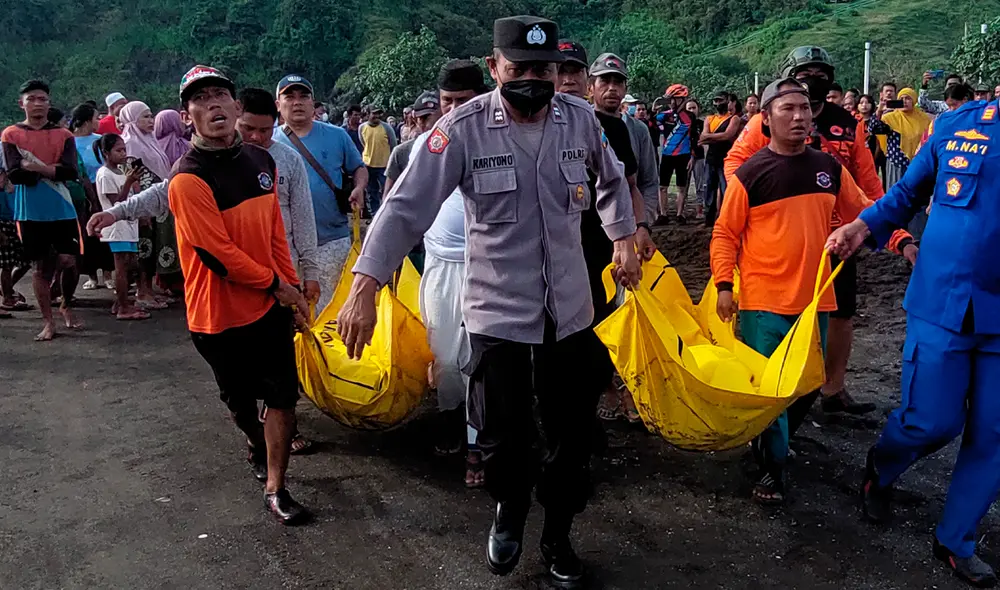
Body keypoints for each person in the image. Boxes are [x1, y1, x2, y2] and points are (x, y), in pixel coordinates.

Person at [336, 16, 642, 588]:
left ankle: (557, 535)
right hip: (499, 313)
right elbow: (404, 207)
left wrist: (622, 235)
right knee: (502, 436)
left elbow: (612, 178)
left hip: (570, 312)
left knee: (571, 433)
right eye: (520, 69)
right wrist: (364, 285)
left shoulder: (581, 121)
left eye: (545, 69)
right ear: (494, 67)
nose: (534, 78)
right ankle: (509, 512)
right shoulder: (461, 130)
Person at [828, 95, 1000, 590]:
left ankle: (956, 541)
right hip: (943, 298)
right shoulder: (957, 125)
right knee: (931, 421)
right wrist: (863, 225)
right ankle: (880, 468)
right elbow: (906, 193)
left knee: (992, 434)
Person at [725, 47, 909, 428]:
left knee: (840, 313)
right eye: (804, 72)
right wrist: (758, 203)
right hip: (779, 238)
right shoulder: (765, 121)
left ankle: (831, 389)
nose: (812, 80)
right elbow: (735, 165)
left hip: (840, 237)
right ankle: (773, 423)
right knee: (776, 325)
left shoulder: (848, 122)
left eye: (820, 72)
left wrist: (890, 231)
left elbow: (869, 183)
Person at [712, 78, 872, 505]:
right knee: (772, 389)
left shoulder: (828, 168)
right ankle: (772, 468)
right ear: (765, 119)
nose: (800, 116)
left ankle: (771, 444)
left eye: (805, 108)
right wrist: (725, 285)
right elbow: (725, 234)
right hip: (764, 299)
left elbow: (865, 213)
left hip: (816, 298)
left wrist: (895, 237)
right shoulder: (750, 174)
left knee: (805, 385)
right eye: (789, 109)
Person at [170, 65, 311, 525]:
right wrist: (279, 286)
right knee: (240, 404)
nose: (213, 105)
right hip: (216, 318)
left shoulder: (261, 162)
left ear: (236, 106)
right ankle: (253, 439)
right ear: (187, 115)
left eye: (219, 95)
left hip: (268, 309)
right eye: (200, 99)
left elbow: (274, 234)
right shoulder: (187, 178)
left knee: (283, 398)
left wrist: (291, 290)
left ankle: (276, 487)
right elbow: (218, 256)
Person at [408, 60, 489, 486]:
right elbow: (402, 206)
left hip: (489, 270)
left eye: (464, 101)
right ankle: (450, 417)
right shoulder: (428, 146)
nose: (455, 110)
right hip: (440, 265)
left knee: (478, 359)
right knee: (443, 354)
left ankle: (478, 444)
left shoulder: (502, 140)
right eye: (447, 102)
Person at [585, 52, 656, 422]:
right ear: (591, 87)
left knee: (625, 312)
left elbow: (643, 181)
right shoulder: (580, 125)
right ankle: (603, 387)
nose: (611, 89)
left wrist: (643, 227)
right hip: (585, 238)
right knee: (593, 313)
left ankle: (628, 386)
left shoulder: (636, 131)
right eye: (604, 82)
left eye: (618, 83)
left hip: (624, 238)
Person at [273, 74, 367, 311]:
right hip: (285, 247)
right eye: (289, 96)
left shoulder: (336, 135)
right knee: (294, 315)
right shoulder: (268, 143)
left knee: (333, 311)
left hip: (331, 241)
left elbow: (358, 167)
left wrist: (359, 188)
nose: (297, 102)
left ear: (312, 103)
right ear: (278, 105)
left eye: (303, 96)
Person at [2, 80, 82, 340]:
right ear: (22, 103)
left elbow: (71, 171)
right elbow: (15, 172)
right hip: (30, 211)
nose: (38, 103)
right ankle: (48, 321)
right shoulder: (11, 134)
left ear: (49, 102)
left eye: (43, 99)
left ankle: (66, 304)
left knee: (69, 261)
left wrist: (35, 167)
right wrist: (51, 170)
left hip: (62, 207)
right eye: (32, 98)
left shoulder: (64, 135)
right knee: (39, 268)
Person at [118, 100, 181, 305]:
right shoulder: (130, 143)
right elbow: (131, 177)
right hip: (143, 204)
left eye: (151, 115)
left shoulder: (150, 140)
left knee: (155, 245)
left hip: (158, 204)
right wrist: (141, 209)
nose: (150, 120)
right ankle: (142, 292)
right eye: (145, 116)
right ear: (132, 119)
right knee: (144, 247)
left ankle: (149, 290)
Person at [383, 90, 442, 274]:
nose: (427, 124)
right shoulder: (401, 153)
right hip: (412, 239)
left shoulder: (456, 150)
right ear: (416, 120)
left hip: (443, 238)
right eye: (422, 118)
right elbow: (388, 196)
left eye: (432, 117)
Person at [92, 133, 148, 320]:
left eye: (124, 150)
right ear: (106, 153)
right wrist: (129, 182)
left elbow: (133, 196)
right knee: (122, 266)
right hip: (116, 226)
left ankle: (121, 302)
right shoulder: (105, 174)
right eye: (118, 150)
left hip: (128, 225)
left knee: (130, 263)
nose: (123, 154)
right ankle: (123, 306)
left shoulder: (122, 171)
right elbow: (118, 202)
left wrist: (134, 181)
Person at [69, 103, 114, 291]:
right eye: (96, 118)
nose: (99, 121)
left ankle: (109, 273)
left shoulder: (100, 140)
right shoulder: (69, 142)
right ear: (87, 120)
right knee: (86, 234)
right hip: (81, 194)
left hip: (102, 189)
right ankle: (92, 276)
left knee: (105, 231)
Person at [870, 88, 931, 188]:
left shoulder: (924, 119)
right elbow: (873, 129)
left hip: (919, 163)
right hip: (897, 163)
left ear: (914, 100)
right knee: (896, 194)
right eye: (901, 98)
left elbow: (929, 139)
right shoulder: (890, 118)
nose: (904, 101)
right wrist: (879, 111)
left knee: (917, 195)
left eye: (908, 98)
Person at [700, 90, 744, 226]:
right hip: (711, 158)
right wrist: (713, 137)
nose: (718, 103)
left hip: (726, 158)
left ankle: (726, 219)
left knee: (727, 190)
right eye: (716, 101)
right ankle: (708, 220)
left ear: (728, 101)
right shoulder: (709, 119)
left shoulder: (734, 118)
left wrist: (709, 137)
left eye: (721, 100)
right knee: (709, 189)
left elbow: (728, 136)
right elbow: (703, 136)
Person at [656, 84, 697, 224]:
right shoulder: (663, 115)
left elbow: (694, 137)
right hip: (667, 154)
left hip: (684, 155)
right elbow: (652, 124)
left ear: (682, 100)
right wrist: (653, 111)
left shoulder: (690, 117)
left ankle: (680, 214)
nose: (672, 102)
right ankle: (663, 214)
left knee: (682, 186)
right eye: (671, 99)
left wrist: (693, 155)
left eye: (675, 99)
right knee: (662, 186)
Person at [0, 153, 30, 314]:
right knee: (6, 264)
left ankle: (7, 290)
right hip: (4, 223)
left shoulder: (14, 179)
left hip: (17, 219)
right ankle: (7, 298)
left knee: (25, 261)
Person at [358, 105, 397, 216]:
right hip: (368, 164)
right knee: (371, 191)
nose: (377, 116)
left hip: (384, 165)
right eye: (374, 113)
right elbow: (363, 142)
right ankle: (375, 214)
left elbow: (393, 145)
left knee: (387, 190)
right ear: (368, 114)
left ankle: (387, 214)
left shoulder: (386, 128)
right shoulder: (362, 128)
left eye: (379, 113)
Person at [685, 99, 708, 218]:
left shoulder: (702, 123)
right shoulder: (681, 124)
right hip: (683, 157)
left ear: (698, 109)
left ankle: (699, 210)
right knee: (683, 185)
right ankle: (681, 211)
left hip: (699, 156)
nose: (692, 110)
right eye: (689, 108)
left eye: (694, 108)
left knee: (700, 184)